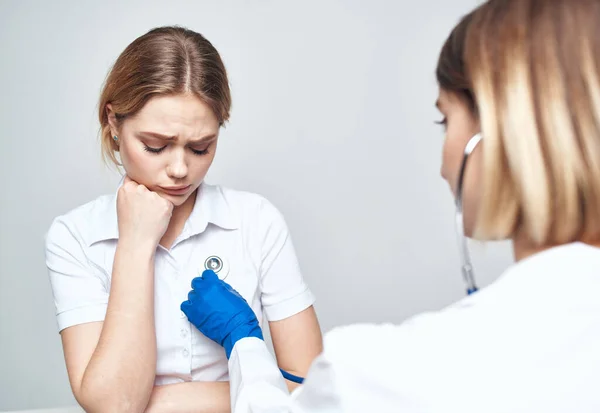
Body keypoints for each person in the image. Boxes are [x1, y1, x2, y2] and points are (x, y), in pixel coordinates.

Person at [179, 0, 600, 411]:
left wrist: (243, 342)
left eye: (446, 120)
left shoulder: (381, 371)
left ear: (504, 133)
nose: (442, 166)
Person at [44, 26, 323, 413]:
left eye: (200, 147)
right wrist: (136, 246)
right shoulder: (75, 237)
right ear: (113, 122)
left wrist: (153, 403)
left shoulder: (256, 221)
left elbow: (313, 390)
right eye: (155, 146)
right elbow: (113, 405)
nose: (180, 169)